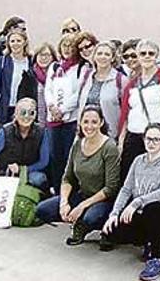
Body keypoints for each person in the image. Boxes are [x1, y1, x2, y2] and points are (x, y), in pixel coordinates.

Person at [102, 123, 160, 281]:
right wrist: (114, 214)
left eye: (156, 139)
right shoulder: (138, 161)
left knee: (152, 208)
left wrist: (136, 203)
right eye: (149, 139)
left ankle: (157, 259)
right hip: (143, 214)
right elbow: (126, 189)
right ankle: (148, 241)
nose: (152, 143)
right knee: (112, 230)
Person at [36, 105, 120, 246]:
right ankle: (77, 219)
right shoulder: (77, 145)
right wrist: (64, 203)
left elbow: (111, 188)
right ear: (80, 123)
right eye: (85, 121)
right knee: (43, 210)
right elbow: (67, 178)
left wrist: (81, 206)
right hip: (83, 195)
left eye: (94, 122)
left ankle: (99, 228)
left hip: (104, 200)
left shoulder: (109, 147)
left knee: (90, 218)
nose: (89, 126)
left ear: (101, 123)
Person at [0, 98, 50, 225]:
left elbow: (44, 161)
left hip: (26, 178)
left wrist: (22, 170)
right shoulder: (5, 132)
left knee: (39, 178)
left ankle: (31, 202)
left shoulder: (42, 133)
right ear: (15, 113)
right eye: (22, 112)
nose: (26, 117)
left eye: (31, 112)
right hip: (3, 177)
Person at [118, 39, 160, 180]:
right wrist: (121, 141)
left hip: (156, 137)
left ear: (156, 56)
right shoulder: (132, 83)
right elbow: (125, 115)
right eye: (143, 53)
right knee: (130, 178)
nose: (147, 56)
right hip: (134, 136)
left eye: (151, 53)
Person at [44, 33, 88, 193]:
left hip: (70, 120)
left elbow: (78, 93)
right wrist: (52, 107)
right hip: (53, 120)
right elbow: (48, 89)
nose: (68, 49)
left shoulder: (82, 68)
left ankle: (69, 193)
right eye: (65, 45)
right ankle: (57, 190)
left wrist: (62, 110)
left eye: (71, 46)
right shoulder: (55, 67)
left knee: (69, 158)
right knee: (55, 158)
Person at [78, 42, 126, 140]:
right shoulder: (86, 76)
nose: (102, 57)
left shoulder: (121, 80)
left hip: (109, 136)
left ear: (112, 58)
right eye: (99, 54)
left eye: (107, 54)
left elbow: (126, 114)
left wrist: (121, 140)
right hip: (86, 133)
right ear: (94, 56)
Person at [0, 29, 34, 127]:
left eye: (19, 41)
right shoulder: (2, 61)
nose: (15, 44)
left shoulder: (31, 62)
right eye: (12, 41)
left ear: (24, 42)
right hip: (4, 109)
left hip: (24, 110)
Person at [31, 42, 58, 126]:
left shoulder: (59, 75)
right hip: (35, 122)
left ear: (53, 57)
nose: (43, 58)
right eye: (41, 55)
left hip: (55, 121)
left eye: (47, 55)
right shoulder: (29, 75)